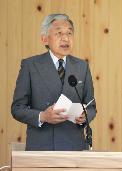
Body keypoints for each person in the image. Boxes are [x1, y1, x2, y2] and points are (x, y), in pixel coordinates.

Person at [11, 14, 96, 151]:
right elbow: (17, 108)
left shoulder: (82, 67)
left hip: (74, 148)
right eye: (59, 33)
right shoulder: (30, 66)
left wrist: (85, 116)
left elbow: (92, 107)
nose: (66, 38)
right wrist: (42, 116)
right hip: (41, 148)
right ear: (45, 39)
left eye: (69, 33)